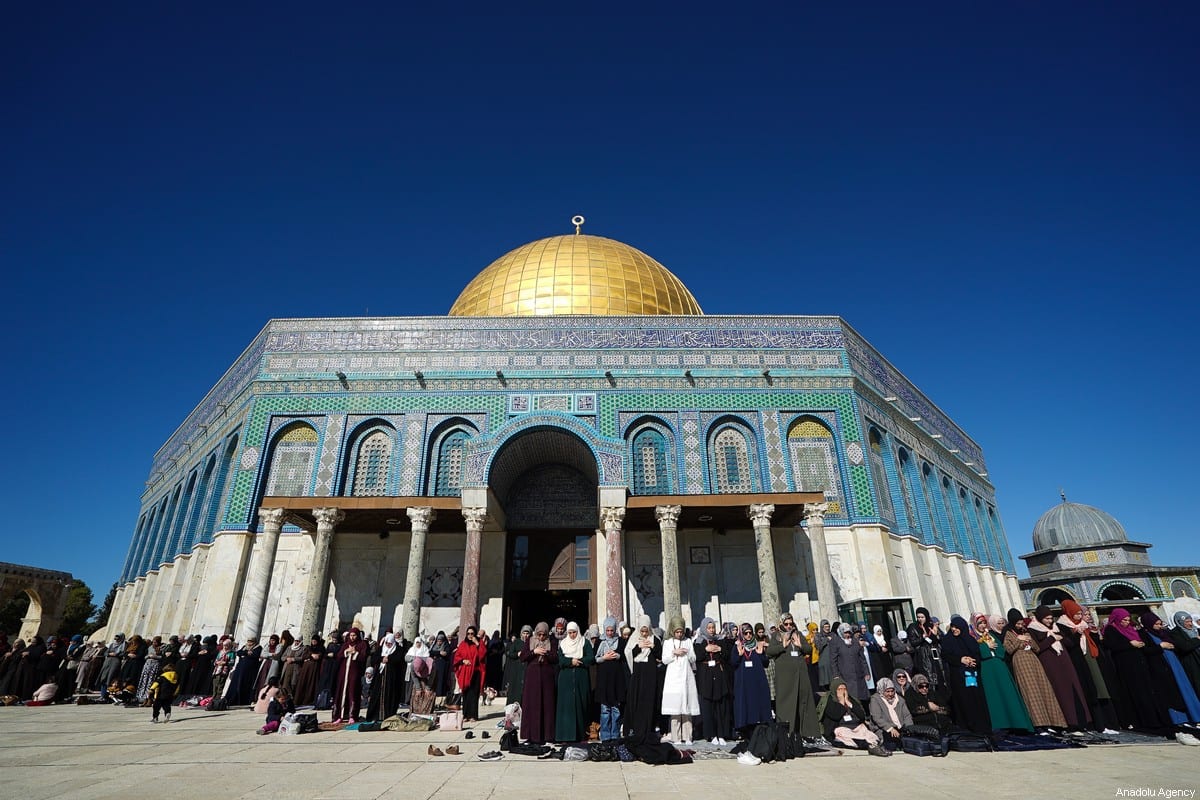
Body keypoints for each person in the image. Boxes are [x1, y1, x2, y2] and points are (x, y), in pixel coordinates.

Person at [1057, 600, 1119, 732]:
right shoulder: (1062, 626)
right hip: (1077, 662)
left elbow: (1094, 643)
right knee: (1087, 690)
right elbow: (1069, 644)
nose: (1080, 616)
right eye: (1077, 614)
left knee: (1098, 689)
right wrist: (1077, 634)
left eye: (1081, 613)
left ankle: (1106, 723)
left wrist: (1093, 633)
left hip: (1089, 659)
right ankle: (1095, 724)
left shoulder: (1084, 625)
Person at [1028, 605, 1091, 730]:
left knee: (1073, 687)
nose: (1049, 621)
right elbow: (1037, 648)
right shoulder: (1033, 629)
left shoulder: (1055, 627)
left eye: (1051, 618)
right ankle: (1069, 722)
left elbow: (1068, 643)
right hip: (1050, 663)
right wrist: (1052, 638)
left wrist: (1072, 635)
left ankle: (1081, 721)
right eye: (1046, 619)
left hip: (1064, 660)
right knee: (1061, 691)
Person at [1002, 610, 1067, 731]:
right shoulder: (1008, 634)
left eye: (1022, 624)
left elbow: (1037, 648)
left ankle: (1053, 722)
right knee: (1031, 692)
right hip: (1021, 663)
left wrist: (1029, 640)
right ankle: (1039, 724)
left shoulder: (1026, 632)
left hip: (1034, 661)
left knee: (1044, 689)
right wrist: (1019, 640)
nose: (1021, 626)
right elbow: (1009, 649)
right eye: (1018, 624)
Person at [973, 613, 1032, 732]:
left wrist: (992, 647)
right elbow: (976, 652)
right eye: (980, 624)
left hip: (1000, 666)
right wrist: (986, 647)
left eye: (984, 623)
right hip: (987, 668)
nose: (983, 626)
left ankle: (1016, 722)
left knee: (1008, 693)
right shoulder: (974, 637)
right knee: (994, 696)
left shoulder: (990, 635)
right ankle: (1000, 724)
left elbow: (1001, 649)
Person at [766, 612, 820, 739]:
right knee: (786, 705)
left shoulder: (798, 634)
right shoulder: (776, 636)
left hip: (800, 674)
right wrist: (782, 645)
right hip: (785, 677)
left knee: (803, 703)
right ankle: (787, 733)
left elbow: (809, 650)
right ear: (781, 624)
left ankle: (805, 733)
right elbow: (769, 652)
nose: (789, 626)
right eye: (786, 624)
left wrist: (799, 645)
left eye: (791, 623)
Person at [1140, 612, 1200, 725]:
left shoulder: (1163, 633)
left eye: (1160, 623)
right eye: (1156, 624)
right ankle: (1179, 719)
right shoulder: (1145, 634)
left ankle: (1194, 714)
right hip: (1162, 667)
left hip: (1175, 665)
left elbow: (1177, 645)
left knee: (1184, 689)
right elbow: (1146, 650)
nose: (1159, 626)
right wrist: (1160, 647)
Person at [939, 615, 992, 735]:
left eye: (957, 627)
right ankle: (965, 726)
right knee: (962, 700)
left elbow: (978, 655)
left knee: (976, 699)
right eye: (952, 627)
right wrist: (960, 659)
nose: (954, 629)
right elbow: (946, 656)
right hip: (958, 676)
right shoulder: (948, 641)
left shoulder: (970, 639)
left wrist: (973, 661)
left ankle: (980, 725)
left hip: (973, 675)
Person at [820, 678, 889, 756]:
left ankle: (876, 746)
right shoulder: (830, 700)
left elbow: (861, 715)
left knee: (869, 735)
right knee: (849, 737)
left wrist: (848, 703)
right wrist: (842, 702)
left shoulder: (851, 699)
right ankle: (870, 747)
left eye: (844, 689)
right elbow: (836, 715)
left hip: (856, 727)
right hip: (841, 728)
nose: (842, 691)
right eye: (839, 689)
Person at [660, 616, 699, 744]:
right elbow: (665, 659)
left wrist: (687, 653)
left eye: (681, 632)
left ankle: (687, 736)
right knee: (675, 707)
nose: (679, 634)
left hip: (686, 676)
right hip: (673, 678)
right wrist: (674, 653)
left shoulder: (688, 641)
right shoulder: (668, 642)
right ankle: (676, 736)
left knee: (686, 706)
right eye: (677, 632)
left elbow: (693, 658)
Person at [623, 617, 662, 744]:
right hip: (638, 675)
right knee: (637, 700)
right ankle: (636, 729)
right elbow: (628, 652)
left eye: (646, 631)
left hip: (650, 675)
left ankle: (649, 730)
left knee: (649, 701)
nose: (644, 634)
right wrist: (638, 647)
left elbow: (660, 655)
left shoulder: (654, 639)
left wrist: (652, 646)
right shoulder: (634, 638)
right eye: (642, 631)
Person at [694, 617, 732, 744]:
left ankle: (721, 733)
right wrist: (706, 650)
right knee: (708, 706)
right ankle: (711, 734)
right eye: (709, 628)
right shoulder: (699, 641)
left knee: (720, 706)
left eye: (713, 628)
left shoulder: (720, 640)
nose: (711, 630)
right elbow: (697, 657)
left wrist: (720, 650)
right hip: (705, 675)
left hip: (718, 673)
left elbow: (727, 655)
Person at [555, 621, 594, 741]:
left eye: (574, 632)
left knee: (580, 705)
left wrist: (579, 661)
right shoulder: (563, 644)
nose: (572, 635)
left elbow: (590, 658)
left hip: (581, 678)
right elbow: (560, 660)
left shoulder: (584, 642)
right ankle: (565, 735)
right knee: (565, 707)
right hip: (566, 679)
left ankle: (579, 734)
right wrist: (570, 662)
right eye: (570, 632)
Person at [731, 622, 772, 736]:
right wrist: (739, 655)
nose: (748, 635)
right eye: (745, 633)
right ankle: (746, 730)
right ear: (742, 634)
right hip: (743, 682)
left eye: (750, 633)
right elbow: (733, 663)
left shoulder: (757, 645)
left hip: (757, 680)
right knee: (745, 704)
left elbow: (765, 663)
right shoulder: (738, 646)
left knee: (758, 703)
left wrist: (761, 653)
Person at [520, 621, 558, 744]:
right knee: (532, 705)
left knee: (547, 706)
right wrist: (534, 652)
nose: (541, 637)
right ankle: (531, 735)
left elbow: (555, 658)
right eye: (539, 634)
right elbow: (523, 657)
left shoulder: (552, 642)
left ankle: (547, 735)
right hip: (532, 677)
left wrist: (546, 653)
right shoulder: (530, 641)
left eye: (544, 635)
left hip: (547, 677)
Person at [593, 617, 628, 742]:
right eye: (607, 630)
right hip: (604, 680)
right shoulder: (599, 642)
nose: (609, 633)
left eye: (611, 630)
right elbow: (594, 659)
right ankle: (606, 735)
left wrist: (617, 655)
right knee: (605, 709)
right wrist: (605, 657)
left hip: (617, 680)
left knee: (616, 709)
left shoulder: (621, 641)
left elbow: (625, 656)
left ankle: (615, 735)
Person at [826, 622, 870, 703]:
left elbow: (862, 658)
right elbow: (833, 661)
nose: (848, 635)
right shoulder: (836, 642)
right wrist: (836, 675)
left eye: (849, 632)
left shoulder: (855, 642)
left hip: (858, 676)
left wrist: (866, 672)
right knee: (849, 698)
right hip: (845, 676)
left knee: (862, 698)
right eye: (845, 633)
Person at [333, 628, 369, 722]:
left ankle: (352, 715)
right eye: (351, 635)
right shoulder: (345, 644)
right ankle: (339, 715)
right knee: (341, 692)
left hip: (354, 672)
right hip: (343, 673)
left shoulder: (362, 644)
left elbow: (363, 657)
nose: (352, 637)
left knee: (353, 692)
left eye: (354, 635)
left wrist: (355, 653)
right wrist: (346, 651)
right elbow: (339, 656)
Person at [454, 625, 488, 724]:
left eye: (472, 634)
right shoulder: (463, 644)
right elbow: (457, 657)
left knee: (474, 694)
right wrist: (463, 661)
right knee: (466, 693)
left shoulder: (479, 643)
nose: (470, 636)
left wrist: (477, 644)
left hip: (476, 672)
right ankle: (465, 715)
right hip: (466, 672)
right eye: (468, 634)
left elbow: (482, 655)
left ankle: (473, 715)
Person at [868, 677, 913, 750]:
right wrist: (890, 728)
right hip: (883, 729)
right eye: (887, 691)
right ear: (882, 691)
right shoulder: (875, 699)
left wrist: (909, 728)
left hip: (899, 728)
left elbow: (907, 715)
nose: (890, 694)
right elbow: (876, 717)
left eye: (892, 691)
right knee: (891, 745)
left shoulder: (899, 700)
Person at [906, 608, 945, 688]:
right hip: (923, 655)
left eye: (922, 617)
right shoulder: (913, 627)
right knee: (928, 676)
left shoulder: (932, 625)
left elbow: (942, 638)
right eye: (918, 617)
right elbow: (913, 642)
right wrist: (922, 637)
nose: (920, 619)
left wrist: (936, 635)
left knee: (940, 673)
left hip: (935, 653)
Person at [1169, 611, 1200, 695]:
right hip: (1192, 663)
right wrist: (1197, 639)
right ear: (1180, 622)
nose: (1190, 624)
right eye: (1187, 622)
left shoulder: (1196, 630)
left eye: (1191, 621)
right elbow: (1185, 647)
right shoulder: (1175, 633)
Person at [293, 634, 324, 706]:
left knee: (311, 684)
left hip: (314, 668)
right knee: (303, 683)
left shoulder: (321, 648)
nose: (313, 642)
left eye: (315, 641)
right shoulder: (308, 648)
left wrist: (315, 656)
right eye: (312, 641)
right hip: (306, 669)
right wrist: (311, 655)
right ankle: (298, 700)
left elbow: (319, 656)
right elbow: (304, 656)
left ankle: (308, 700)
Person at [503, 627, 530, 703]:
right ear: (521, 634)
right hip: (516, 668)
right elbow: (510, 654)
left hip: (526, 668)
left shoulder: (531, 642)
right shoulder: (517, 642)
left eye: (527, 633)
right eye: (524, 633)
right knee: (515, 688)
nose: (525, 635)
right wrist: (517, 654)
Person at [814, 620, 834, 691]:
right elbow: (818, 647)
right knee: (826, 681)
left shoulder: (832, 634)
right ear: (822, 627)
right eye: (825, 627)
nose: (827, 628)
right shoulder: (818, 635)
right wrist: (826, 640)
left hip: (832, 660)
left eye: (828, 626)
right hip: (824, 661)